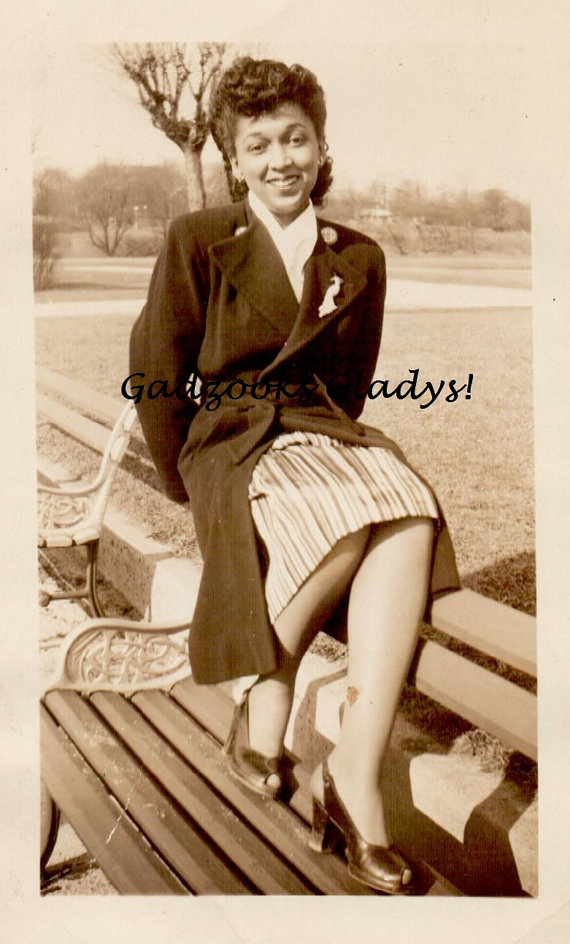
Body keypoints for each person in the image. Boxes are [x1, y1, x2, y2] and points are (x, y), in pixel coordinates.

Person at [129, 56, 460, 895]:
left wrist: (328, 445)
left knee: (410, 508)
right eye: (258, 144)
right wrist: (188, 484)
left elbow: (347, 388)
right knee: (359, 509)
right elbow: (159, 368)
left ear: (320, 147)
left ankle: (353, 777)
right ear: (234, 161)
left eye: (295, 138)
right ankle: (267, 707)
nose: (280, 159)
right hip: (228, 440)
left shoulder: (361, 256)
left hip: (314, 433)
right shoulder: (200, 240)